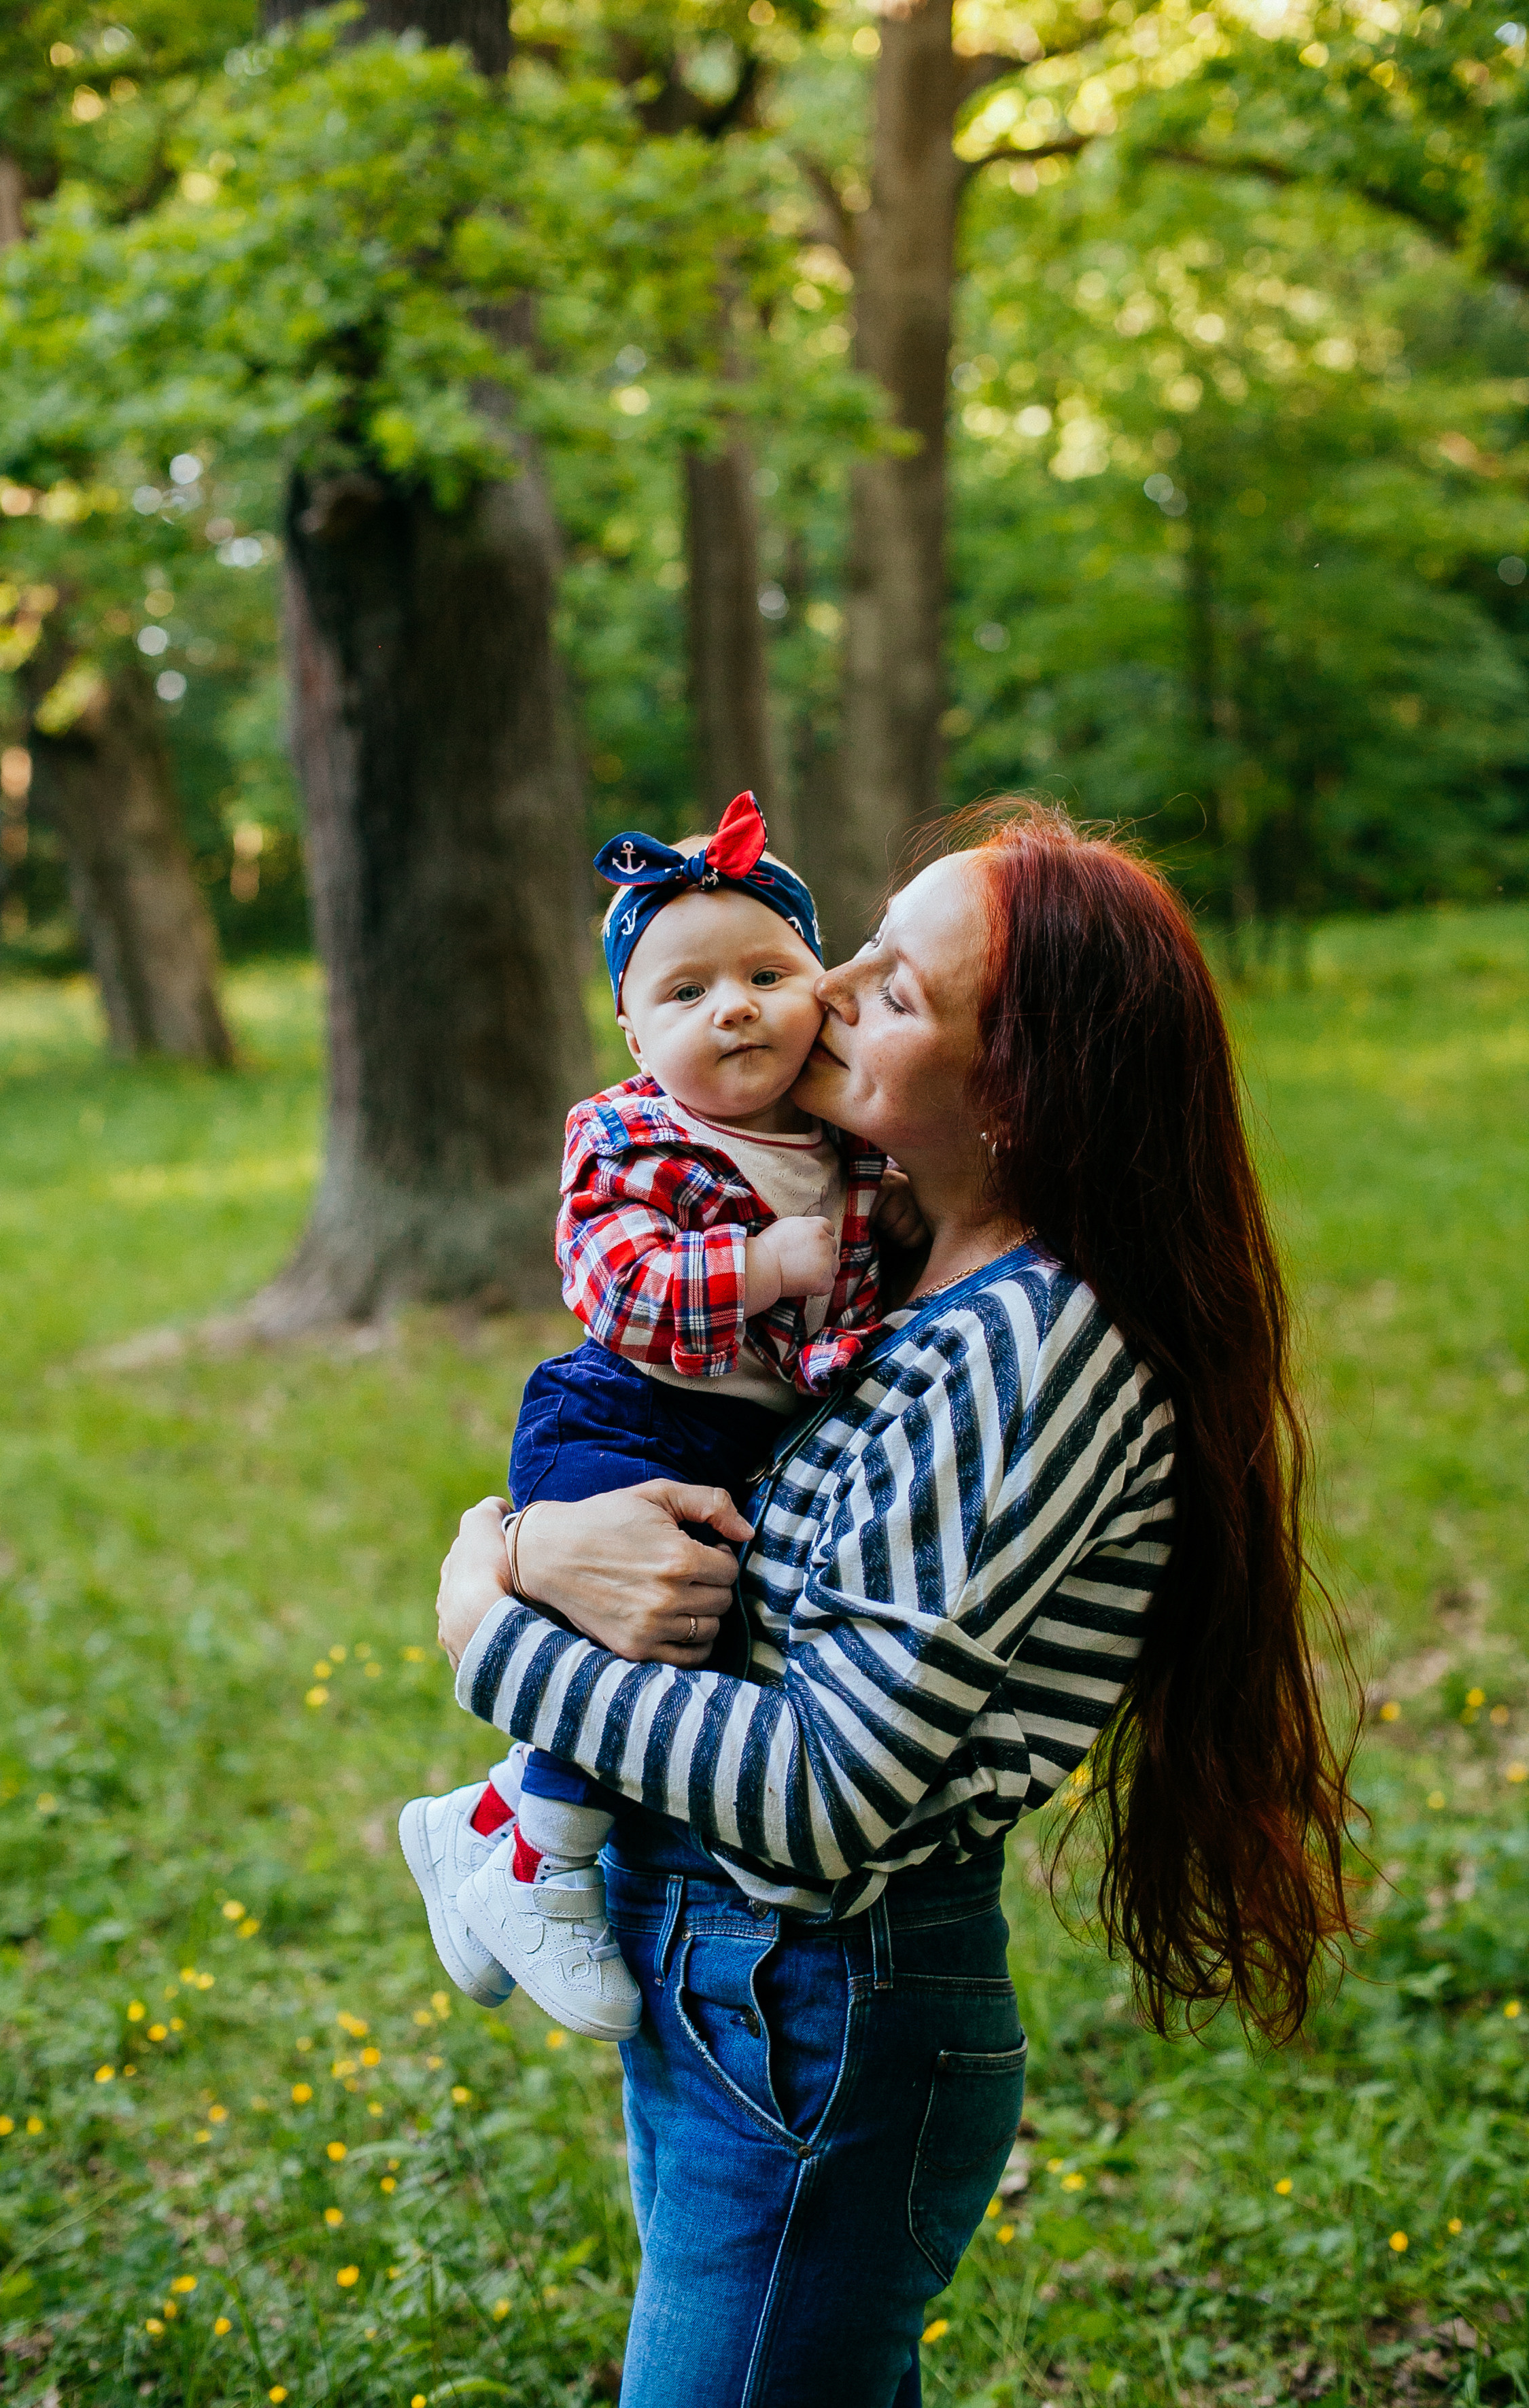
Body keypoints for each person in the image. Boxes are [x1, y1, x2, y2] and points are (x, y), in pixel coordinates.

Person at [432, 803, 1356, 2408]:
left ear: (1021, 1090)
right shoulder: (902, 1275)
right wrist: (526, 1541)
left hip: (818, 1996)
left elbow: (824, 1794)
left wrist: (489, 1630)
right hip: (745, 1985)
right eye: (848, 946)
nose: (822, 993)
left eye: (892, 988)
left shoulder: (1019, 1348)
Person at [400, 792, 917, 2041]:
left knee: (698, 1621)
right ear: (633, 1033)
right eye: (685, 993)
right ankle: (543, 1867)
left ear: (823, 995)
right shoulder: (632, 1137)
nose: (732, 1005)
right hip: (621, 1414)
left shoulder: (841, 1149)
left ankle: (486, 1819)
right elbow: (616, 1285)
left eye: (766, 974)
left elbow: (854, 1296)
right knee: (637, 1631)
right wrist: (763, 1270)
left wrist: (884, 1241)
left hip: (737, 1434)